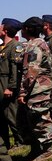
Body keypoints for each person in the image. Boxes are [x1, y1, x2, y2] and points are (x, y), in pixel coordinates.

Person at [18, 17, 52, 161]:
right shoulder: (33, 44)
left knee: (40, 118)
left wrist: (23, 92)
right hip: (35, 87)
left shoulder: (35, 46)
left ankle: (47, 150)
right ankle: (36, 149)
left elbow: (31, 71)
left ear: (28, 29)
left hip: (38, 87)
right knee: (31, 119)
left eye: (23, 27)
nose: (21, 30)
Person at [0, 18, 24, 150]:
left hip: (8, 85)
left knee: (11, 115)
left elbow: (15, 69)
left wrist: (11, 87)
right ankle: (5, 144)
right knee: (2, 116)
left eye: (0, 26)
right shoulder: (2, 47)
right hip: (1, 83)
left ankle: (20, 141)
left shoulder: (16, 46)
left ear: (6, 30)